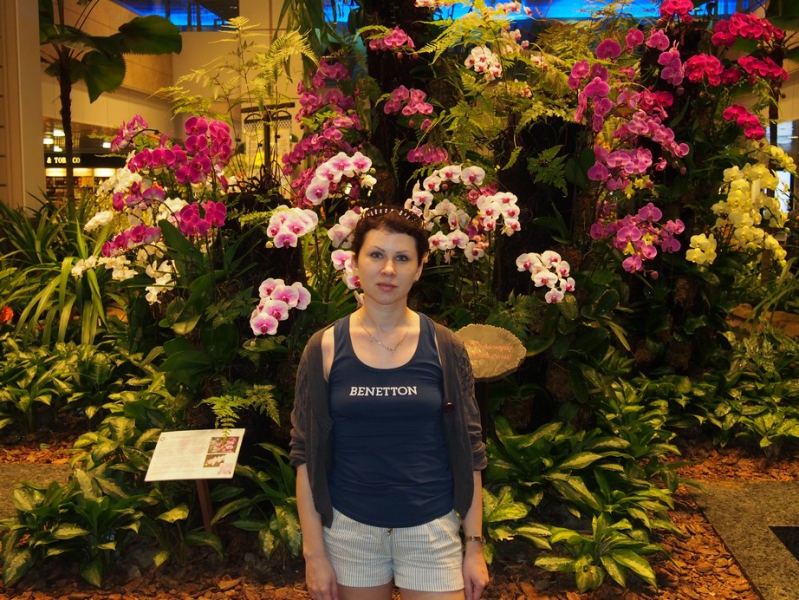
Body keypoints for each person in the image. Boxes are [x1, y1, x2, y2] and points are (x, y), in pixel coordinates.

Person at [290, 205, 489, 600]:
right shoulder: (324, 348)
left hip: (431, 529)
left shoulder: (445, 346)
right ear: (355, 262)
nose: (388, 270)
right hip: (350, 531)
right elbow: (305, 453)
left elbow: (470, 450)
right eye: (376, 255)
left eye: (402, 258)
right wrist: (314, 555)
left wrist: (474, 547)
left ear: (419, 268)